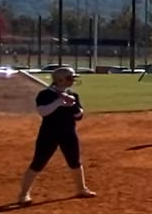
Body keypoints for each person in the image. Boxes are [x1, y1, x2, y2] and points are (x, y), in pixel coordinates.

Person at [17, 67, 96, 204]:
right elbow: (43, 112)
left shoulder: (72, 95)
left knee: (75, 161)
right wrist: (58, 103)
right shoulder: (45, 95)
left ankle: (81, 189)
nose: (72, 81)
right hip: (49, 133)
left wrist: (72, 105)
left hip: (69, 132)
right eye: (70, 78)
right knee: (38, 162)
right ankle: (23, 194)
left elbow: (79, 115)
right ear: (60, 80)